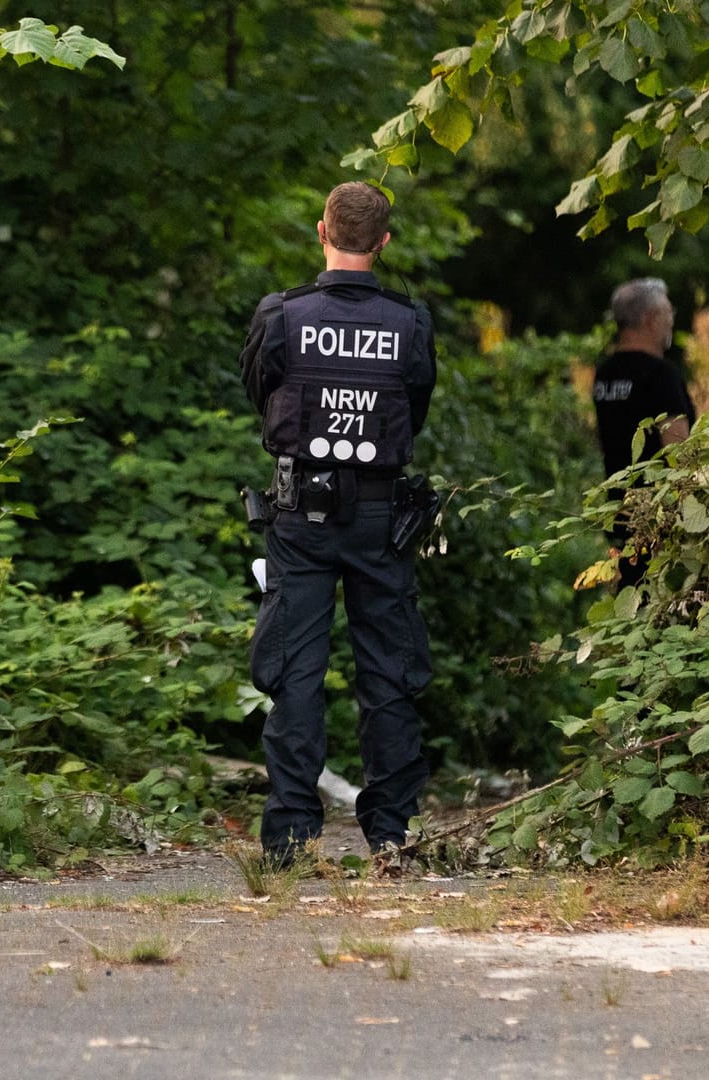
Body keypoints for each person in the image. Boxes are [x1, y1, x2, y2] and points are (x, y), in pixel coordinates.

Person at [238, 181, 437, 866]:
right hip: (381, 517)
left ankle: (289, 840)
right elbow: (416, 406)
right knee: (389, 672)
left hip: (300, 516)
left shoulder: (283, 315)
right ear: (383, 241)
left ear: (321, 230)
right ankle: (390, 834)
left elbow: (260, 395)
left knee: (296, 670)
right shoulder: (409, 324)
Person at [591, 277, 696, 588]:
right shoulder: (660, 375)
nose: (671, 321)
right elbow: (679, 454)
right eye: (668, 313)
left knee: (629, 597)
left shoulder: (605, 373)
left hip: (619, 513)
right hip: (660, 519)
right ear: (651, 319)